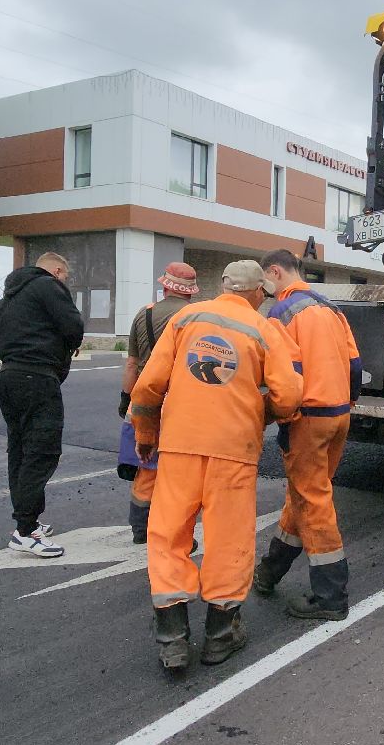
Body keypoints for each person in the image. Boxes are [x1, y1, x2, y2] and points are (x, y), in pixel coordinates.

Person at [130, 260, 303, 671]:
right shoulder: (264, 329)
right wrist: (262, 412)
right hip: (233, 450)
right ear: (257, 292)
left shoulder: (187, 318)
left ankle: (172, 639)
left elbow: (148, 386)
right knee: (229, 539)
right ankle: (220, 636)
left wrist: (145, 435)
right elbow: (289, 396)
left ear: (224, 286)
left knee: (168, 535)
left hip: (180, 446)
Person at [253, 249, 362, 620]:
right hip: (339, 415)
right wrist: (345, 402)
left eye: (265, 282)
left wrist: (271, 416)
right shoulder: (331, 309)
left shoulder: (281, 312)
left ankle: (331, 597)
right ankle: (269, 571)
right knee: (305, 494)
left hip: (308, 419)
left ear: (274, 272)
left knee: (312, 500)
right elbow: (355, 365)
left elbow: (288, 376)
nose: (264, 290)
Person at [0, 251, 86, 557]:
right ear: (57, 271)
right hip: (37, 377)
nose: (65, 282)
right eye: (65, 277)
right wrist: (69, 346)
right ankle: (26, 531)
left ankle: (26, 520)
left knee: (19, 451)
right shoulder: (48, 285)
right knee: (43, 451)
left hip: (9, 375)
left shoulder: (11, 296)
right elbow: (73, 325)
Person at [116, 261, 200, 545]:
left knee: (146, 466)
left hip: (145, 401)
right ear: (191, 292)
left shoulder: (145, 313)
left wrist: (126, 398)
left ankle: (140, 529)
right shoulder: (195, 317)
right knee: (180, 472)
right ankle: (175, 532)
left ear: (164, 287)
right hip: (180, 403)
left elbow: (132, 364)